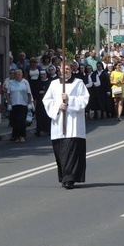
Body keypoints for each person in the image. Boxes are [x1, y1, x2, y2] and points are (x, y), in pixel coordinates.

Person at [43, 61, 89, 189]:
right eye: (63, 68)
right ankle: (64, 176)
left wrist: (69, 100)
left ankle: (70, 179)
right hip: (58, 123)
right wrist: (59, 106)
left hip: (73, 124)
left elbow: (84, 100)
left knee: (71, 151)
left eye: (68, 68)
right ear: (59, 70)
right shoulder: (54, 84)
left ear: (71, 69)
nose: (65, 71)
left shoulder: (78, 83)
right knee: (60, 152)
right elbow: (46, 100)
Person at [6, 69, 33, 142]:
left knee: (21, 121)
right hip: (14, 104)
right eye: (16, 74)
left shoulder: (25, 82)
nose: (17, 76)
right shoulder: (11, 83)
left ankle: (22, 135)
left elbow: (29, 93)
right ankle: (15, 136)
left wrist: (30, 103)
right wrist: (9, 104)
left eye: (19, 74)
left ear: (21, 75)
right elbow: (8, 94)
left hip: (23, 104)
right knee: (14, 121)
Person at [34, 70, 52, 136]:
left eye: (44, 74)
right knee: (39, 116)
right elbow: (35, 92)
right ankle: (39, 130)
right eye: (41, 74)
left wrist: (45, 92)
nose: (43, 76)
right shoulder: (38, 82)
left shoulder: (50, 82)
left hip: (48, 101)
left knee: (48, 116)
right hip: (40, 101)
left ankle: (48, 130)